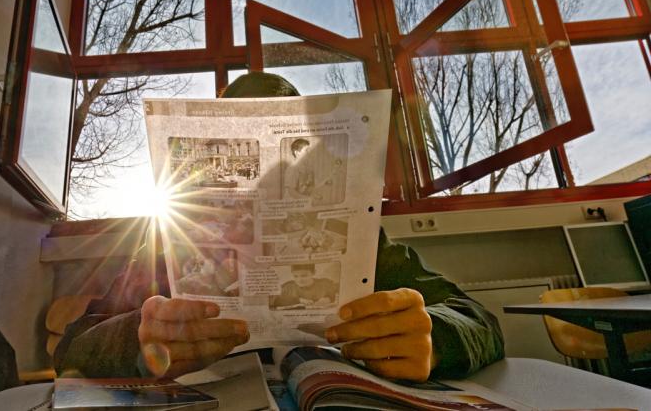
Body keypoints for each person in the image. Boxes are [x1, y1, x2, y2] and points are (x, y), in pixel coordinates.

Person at [54, 72, 504, 383]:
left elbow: (478, 319)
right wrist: (140, 336)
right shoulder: (165, 243)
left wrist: (434, 338)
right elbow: (72, 346)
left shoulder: (365, 239)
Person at [271, 263, 338, 309]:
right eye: (295, 276)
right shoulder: (288, 287)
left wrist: (329, 298)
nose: (299, 280)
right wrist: (298, 300)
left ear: (314, 272)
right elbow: (275, 302)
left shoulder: (324, 284)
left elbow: (335, 292)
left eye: (304, 276)